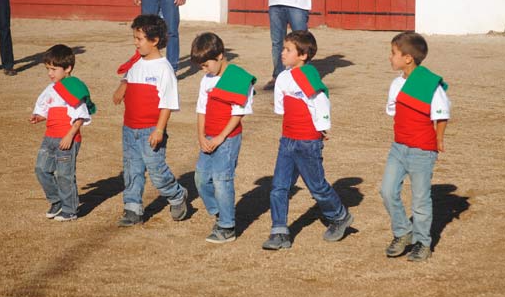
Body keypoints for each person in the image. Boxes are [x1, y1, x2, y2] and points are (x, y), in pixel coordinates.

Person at [262, 31, 353, 250]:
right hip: (288, 139)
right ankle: (279, 231)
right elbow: (281, 107)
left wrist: (322, 127)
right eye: (283, 49)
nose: (282, 53)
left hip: (307, 141)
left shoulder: (308, 75)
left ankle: (339, 216)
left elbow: (321, 100)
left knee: (317, 187)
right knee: (279, 187)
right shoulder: (283, 76)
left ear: (302, 55)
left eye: (288, 50)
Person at [380, 32, 450, 262]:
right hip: (398, 147)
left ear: (408, 58)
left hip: (422, 150)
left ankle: (422, 242)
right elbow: (393, 110)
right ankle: (403, 232)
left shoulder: (430, 84)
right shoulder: (395, 83)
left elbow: (441, 115)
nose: (390, 58)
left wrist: (438, 140)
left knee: (420, 200)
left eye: (393, 53)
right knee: (387, 191)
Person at [113, 14, 188, 227]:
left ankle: (176, 194)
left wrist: (159, 130)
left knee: (157, 171)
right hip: (129, 128)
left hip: (150, 131)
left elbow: (167, 104)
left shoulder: (164, 69)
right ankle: (132, 208)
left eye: (139, 39)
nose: (135, 43)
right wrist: (122, 86)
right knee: (131, 169)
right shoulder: (136, 62)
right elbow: (128, 77)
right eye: (135, 38)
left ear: (154, 41)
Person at [191, 33, 256, 243]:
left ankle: (227, 226)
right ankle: (221, 212)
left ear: (220, 56)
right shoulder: (206, 79)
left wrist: (220, 137)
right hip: (208, 136)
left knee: (222, 180)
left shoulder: (237, 77)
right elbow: (201, 109)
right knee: (200, 179)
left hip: (227, 139)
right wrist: (201, 136)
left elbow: (238, 113)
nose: (203, 69)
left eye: (205, 64)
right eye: (200, 66)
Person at [30, 44, 96, 222]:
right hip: (50, 137)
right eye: (48, 69)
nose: (50, 73)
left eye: (54, 69)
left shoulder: (73, 88)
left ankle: (70, 209)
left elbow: (80, 116)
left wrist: (69, 135)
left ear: (67, 68)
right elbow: (48, 109)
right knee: (41, 169)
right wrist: (39, 117)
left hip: (67, 138)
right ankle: (56, 201)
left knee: (65, 174)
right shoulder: (51, 88)